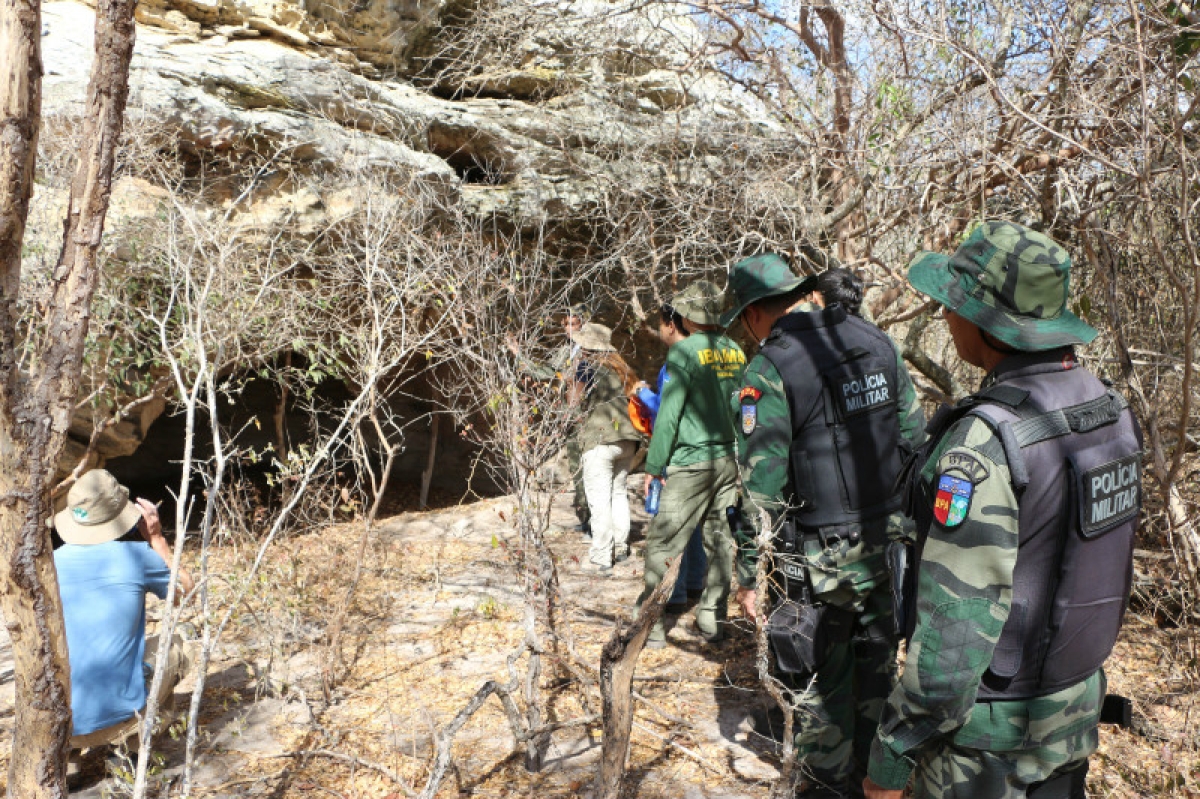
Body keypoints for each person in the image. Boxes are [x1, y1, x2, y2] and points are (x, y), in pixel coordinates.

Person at [864, 222, 1142, 799]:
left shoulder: (985, 443)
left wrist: (892, 752)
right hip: (1073, 713)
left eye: (954, 305)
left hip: (990, 746)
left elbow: (956, 626)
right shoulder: (1110, 408)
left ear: (989, 324)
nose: (946, 316)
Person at [723, 253, 923, 799]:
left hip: (814, 564)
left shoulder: (770, 369)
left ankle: (824, 789)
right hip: (887, 551)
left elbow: (759, 488)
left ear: (753, 315)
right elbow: (914, 437)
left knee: (817, 692)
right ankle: (875, 782)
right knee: (877, 678)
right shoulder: (877, 343)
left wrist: (748, 575)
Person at [635, 279, 746, 648]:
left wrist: (654, 465)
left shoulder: (683, 353)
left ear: (687, 315)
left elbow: (669, 415)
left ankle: (649, 627)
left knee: (663, 542)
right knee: (719, 541)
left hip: (691, 462)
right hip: (729, 460)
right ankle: (713, 620)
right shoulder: (735, 350)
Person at [53, 469, 195, 751]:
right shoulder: (137, 556)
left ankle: (70, 759)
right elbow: (185, 593)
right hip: (121, 716)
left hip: (58, 724)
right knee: (179, 648)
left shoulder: (50, 563)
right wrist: (156, 538)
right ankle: (132, 744)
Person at [633, 304, 707, 611]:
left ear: (671, 326)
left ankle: (672, 596)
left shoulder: (676, 362)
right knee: (696, 526)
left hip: (680, 454)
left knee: (672, 528)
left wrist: (642, 394)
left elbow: (665, 413)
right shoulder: (706, 356)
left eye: (660, 324)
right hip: (710, 455)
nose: (659, 330)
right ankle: (694, 584)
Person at [570, 323, 643, 575]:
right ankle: (621, 547)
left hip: (600, 439)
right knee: (618, 492)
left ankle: (602, 555)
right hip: (627, 439)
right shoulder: (622, 368)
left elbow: (573, 402)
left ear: (586, 345)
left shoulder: (585, 367)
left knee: (599, 497)